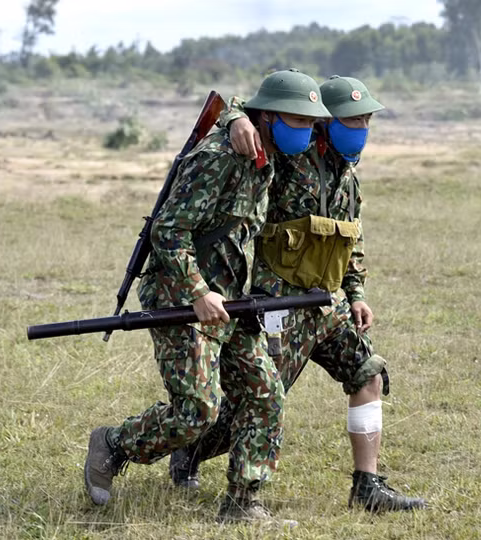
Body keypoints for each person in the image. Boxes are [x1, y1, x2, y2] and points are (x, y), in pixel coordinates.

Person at [83, 69, 331, 523]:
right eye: (298, 120)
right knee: (198, 411)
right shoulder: (218, 157)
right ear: (269, 116)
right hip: (180, 295)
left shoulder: (268, 155)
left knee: (265, 392)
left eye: (311, 123)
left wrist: (235, 113)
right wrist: (197, 292)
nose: (307, 130)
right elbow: (169, 231)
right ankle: (113, 443)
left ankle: (243, 503)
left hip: (232, 301)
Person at [169, 75, 427, 512]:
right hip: (280, 303)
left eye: (366, 120)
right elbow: (251, 108)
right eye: (352, 120)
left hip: (329, 303)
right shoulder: (287, 157)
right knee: (257, 401)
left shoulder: (348, 177)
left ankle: (367, 487)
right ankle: (189, 451)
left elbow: (351, 240)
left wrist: (357, 293)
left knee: (367, 374)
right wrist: (233, 117)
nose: (361, 128)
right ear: (323, 122)